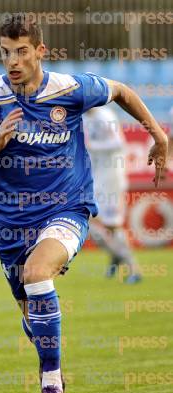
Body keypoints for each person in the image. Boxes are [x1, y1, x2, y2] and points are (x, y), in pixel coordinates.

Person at [0, 14, 167, 393]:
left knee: (38, 274)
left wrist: (157, 134)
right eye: (5, 52)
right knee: (31, 314)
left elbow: (120, 91)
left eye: (21, 51)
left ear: (40, 51)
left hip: (67, 208)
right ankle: (49, 359)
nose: (12, 61)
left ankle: (50, 382)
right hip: (12, 224)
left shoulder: (69, 89)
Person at [83, 106, 141, 283]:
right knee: (88, 220)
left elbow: (118, 143)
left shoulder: (105, 116)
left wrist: (93, 146)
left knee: (112, 225)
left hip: (112, 179)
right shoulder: (85, 117)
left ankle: (133, 269)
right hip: (97, 179)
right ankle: (116, 254)